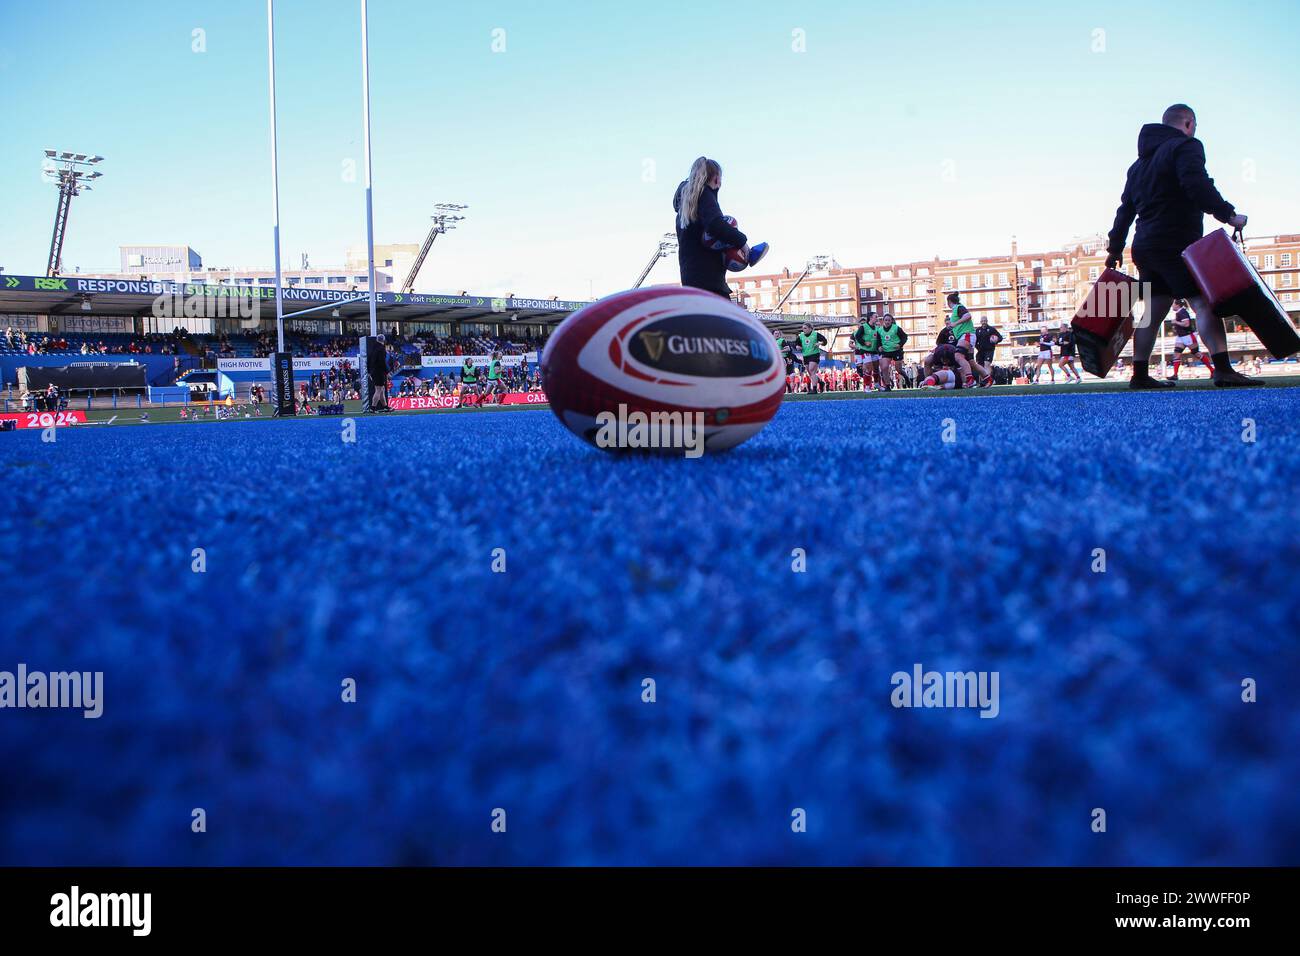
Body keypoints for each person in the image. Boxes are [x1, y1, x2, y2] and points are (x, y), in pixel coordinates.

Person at [1105, 103, 1257, 387]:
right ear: (1188, 123)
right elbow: (1196, 185)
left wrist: (1115, 249)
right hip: (1176, 242)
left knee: (1153, 310)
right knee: (1205, 302)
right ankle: (1224, 370)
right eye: (1194, 127)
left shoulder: (1137, 166)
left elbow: (1124, 210)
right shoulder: (1186, 147)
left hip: (1145, 247)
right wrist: (1228, 215)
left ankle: (1139, 375)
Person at [673, 158, 765, 299]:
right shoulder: (705, 195)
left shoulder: (684, 208)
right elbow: (715, 224)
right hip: (710, 281)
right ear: (716, 178)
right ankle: (747, 253)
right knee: (726, 319)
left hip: (691, 278)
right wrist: (742, 243)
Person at [944, 292, 993, 387]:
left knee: (958, 356)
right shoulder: (956, 310)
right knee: (971, 362)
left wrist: (955, 323)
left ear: (949, 302)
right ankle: (988, 379)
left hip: (966, 335)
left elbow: (968, 316)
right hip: (968, 335)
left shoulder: (958, 307)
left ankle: (970, 379)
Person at [1166, 299, 1215, 380]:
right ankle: (1175, 375)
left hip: (1188, 336)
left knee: (1196, 353)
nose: (1172, 306)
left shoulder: (1182, 312)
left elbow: (1186, 324)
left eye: (1173, 304)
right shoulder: (1179, 312)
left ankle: (1212, 370)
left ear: (1177, 305)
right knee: (1176, 354)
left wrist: (1176, 322)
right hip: (1181, 337)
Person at [876, 313, 908, 391]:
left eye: (889, 320)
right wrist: (879, 347)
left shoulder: (896, 328)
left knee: (898, 369)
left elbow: (905, 337)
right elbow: (878, 341)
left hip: (896, 351)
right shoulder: (879, 330)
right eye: (886, 320)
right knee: (884, 368)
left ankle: (906, 377)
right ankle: (887, 386)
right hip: (886, 351)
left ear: (892, 321)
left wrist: (900, 344)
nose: (887, 322)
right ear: (883, 321)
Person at [794, 323, 828, 393]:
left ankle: (814, 389)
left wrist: (820, 343)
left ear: (810, 328)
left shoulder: (815, 334)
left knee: (811, 370)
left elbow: (825, 341)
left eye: (805, 328)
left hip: (814, 354)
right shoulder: (801, 336)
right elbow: (797, 344)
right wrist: (797, 347)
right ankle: (821, 382)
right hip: (806, 355)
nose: (804, 330)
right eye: (803, 328)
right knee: (810, 373)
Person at [851, 315, 878, 390]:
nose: (862, 325)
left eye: (864, 323)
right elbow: (850, 344)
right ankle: (866, 384)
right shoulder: (855, 333)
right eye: (861, 323)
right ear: (858, 325)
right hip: (858, 353)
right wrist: (856, 347)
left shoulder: (868, 330)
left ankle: (869, 385)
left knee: (868, 368)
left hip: (867, 351)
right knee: (861, 370)